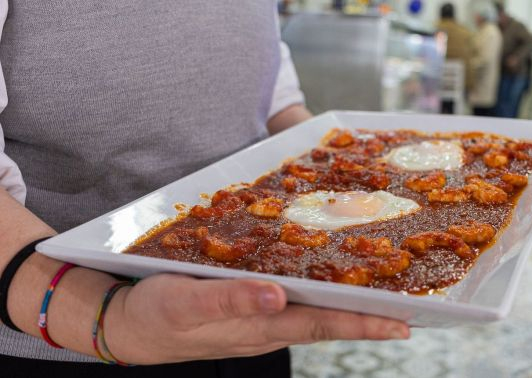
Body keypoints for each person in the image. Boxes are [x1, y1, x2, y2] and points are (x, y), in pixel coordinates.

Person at [0, 2, 409, 377]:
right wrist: (105, 315)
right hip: (63, 330)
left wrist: (355, 174)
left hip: (254, 311)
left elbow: (272, 100)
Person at [493, 2, 532, 118]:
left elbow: (531, 42)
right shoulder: (497, 28)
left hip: (518, 73)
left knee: (512, 104)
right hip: (503, 71)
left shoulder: (517, 26)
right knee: (502, 104)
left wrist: (517, 57)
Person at [436, 2, 476, 114]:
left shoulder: (436, 28)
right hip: (460, 85)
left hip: (438, 84)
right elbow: (471, 56)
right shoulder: (465, 32)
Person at [469, 1, 503, 117]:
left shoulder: (491, 32)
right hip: (478, 81)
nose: (474, 18)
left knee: (482, 116)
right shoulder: (483, 30)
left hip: (484, 80)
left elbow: (486, 59)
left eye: (476, 15)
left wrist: (470, 65)